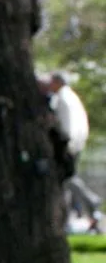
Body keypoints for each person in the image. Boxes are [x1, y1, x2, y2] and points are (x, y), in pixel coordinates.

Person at [47, 72, 100, 233]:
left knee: (68, 178)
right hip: (75, 143)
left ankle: (90, 201)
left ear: (57, 82)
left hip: (68, 145)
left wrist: (66, 145)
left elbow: (68, 124)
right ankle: (65, 218)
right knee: (66, 182)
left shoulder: (63, 99)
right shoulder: (72, 97)